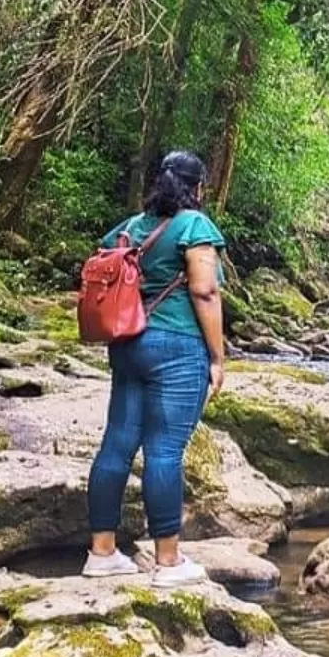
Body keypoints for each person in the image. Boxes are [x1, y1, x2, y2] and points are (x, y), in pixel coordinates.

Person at [83, 150, 226, 586]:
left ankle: (102, 553)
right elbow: (204, 292)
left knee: (117, 446)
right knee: (165, 451)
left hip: (127, 344)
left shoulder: (127, 228)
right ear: (197, 187)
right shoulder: (194, 226)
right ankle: (168, 562)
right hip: (177, 348)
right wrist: (218, 357)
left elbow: (99, 265)